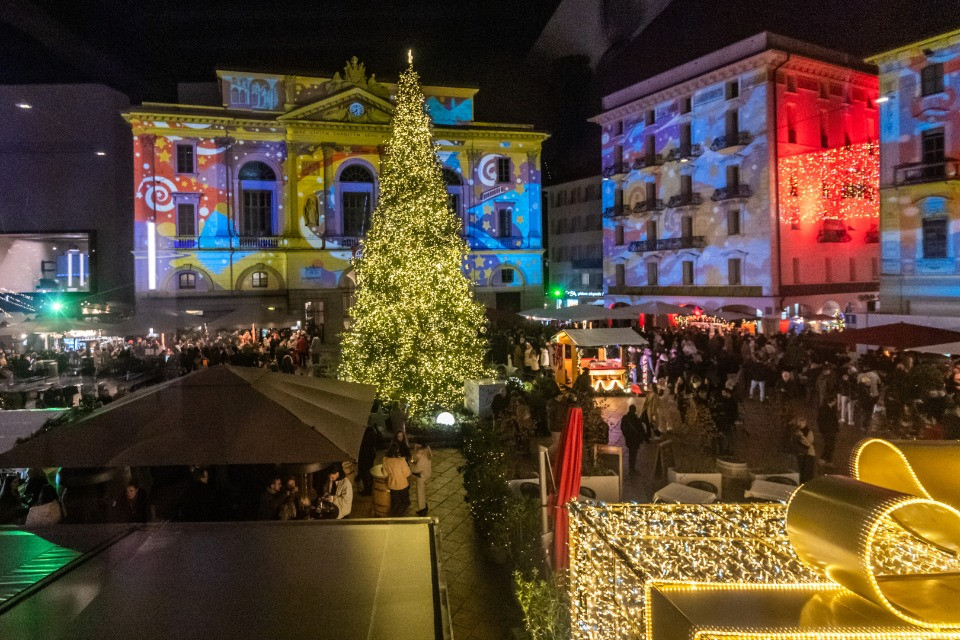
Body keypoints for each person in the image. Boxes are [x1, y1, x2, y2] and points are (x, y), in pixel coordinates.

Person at [383, 443, 411, 516]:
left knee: (395, 503)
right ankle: (403, 515)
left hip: (392, 485)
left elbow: (385, 474)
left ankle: (395, 515)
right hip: (402, 485)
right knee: (404, 502)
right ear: (397, 450)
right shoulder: (401, 461)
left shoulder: (385, 460)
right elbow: (407, 473)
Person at [620, 405, 645, 476]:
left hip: (629, 439)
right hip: (635, 440)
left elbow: (622, 428)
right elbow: (641, 429)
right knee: (633, 454)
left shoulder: (625, 418)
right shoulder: (636, 418)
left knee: (631, 453)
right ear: (635, 410)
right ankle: (632, 469)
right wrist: (641, 438)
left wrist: (626, 435)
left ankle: (631, 468)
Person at [410, 443, 433, 516]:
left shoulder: (421, 455)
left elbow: (417, 469)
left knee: (420, 493)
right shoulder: (427, 451)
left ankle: (422, 509)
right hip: (426, 473)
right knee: (421, 492)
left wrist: (411, 464)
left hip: (422, 476)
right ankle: (423, 507)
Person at [357, 423, 379, 496]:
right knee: (368, 471)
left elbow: (364, 444)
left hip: (365, 454)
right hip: (370, 453)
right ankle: (369, 487)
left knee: (365, 472)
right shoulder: (373, 430)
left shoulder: (366, 431)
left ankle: (367, 490)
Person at [817, 397, 839, 466]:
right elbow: (821, 421)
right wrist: (823, 430)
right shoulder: (824, 409)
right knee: (828, 445)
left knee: (831, 445)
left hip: (832, 431)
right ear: (832, 401)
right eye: (835, 400)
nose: (836, 401)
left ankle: (828, 460)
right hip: (827, 431)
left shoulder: (831, 408)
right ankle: (822, 459)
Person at [793, 418, 816, 483]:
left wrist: (801, 436)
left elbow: (808, 444)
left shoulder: (809, 432)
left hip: (808, 454)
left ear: (805, 423)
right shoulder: (796, 431)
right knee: (801, 473)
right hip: (800, 454)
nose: (800, 424)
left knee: (807, 473)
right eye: (799, 422)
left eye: (802, 422)